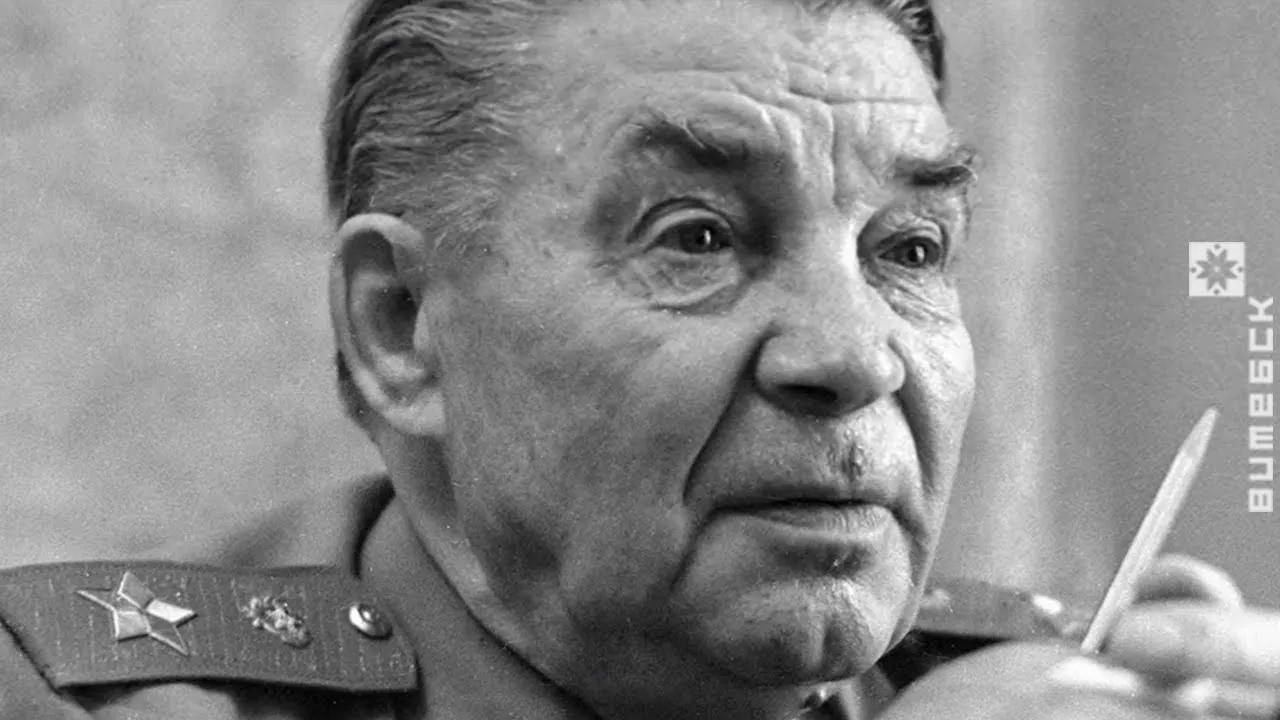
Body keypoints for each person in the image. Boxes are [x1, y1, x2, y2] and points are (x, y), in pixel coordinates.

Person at [1, 0, 1277, 718]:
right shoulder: (57, 694)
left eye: (907, 249)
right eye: (698, 236)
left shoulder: (1052, 685)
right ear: (400, 327)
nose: (853, 359)